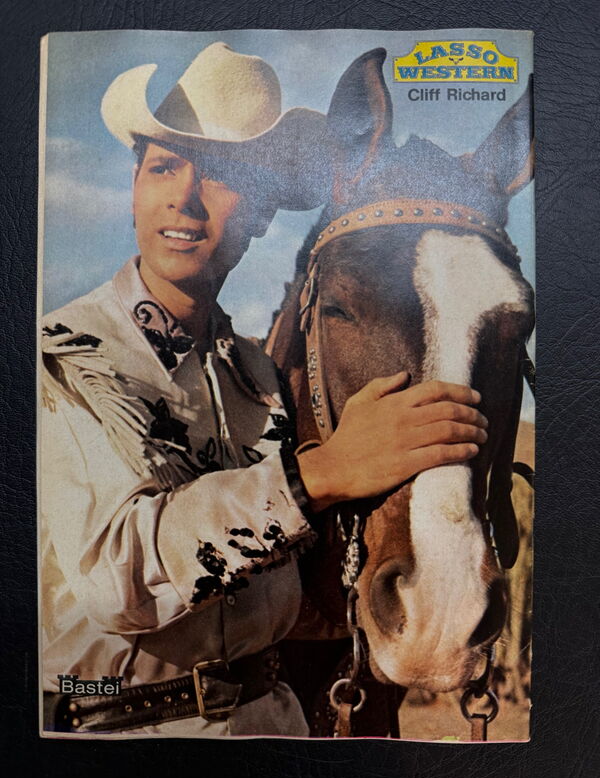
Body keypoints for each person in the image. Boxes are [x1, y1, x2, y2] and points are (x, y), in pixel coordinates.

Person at [40, 42, 488, 737]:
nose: (184, 197)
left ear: (263, 213)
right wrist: (323, 474)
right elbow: (117, 582)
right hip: (115, 733)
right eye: (163, 167)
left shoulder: (258, 374)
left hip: (273, 725)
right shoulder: (66, 354)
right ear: (135, 187)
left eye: (221, 176)